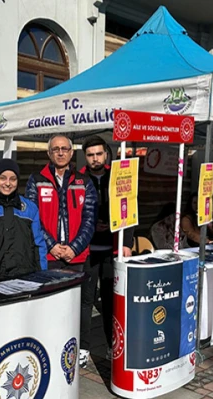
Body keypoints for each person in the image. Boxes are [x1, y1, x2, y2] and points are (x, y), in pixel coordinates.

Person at [26, 134, 97, 368]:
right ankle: (52, 345)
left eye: (64, 149)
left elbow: (89, 219)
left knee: (80, 304)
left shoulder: (84, 181)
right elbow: (33, 217)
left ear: (71, 152)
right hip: (49, 256)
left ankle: (83, 348)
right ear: (49, 153)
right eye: (55, 149)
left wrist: (73, 249)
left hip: (77, 257)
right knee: (51, 305)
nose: (60, 152)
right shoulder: (36, 180)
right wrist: (53, 246)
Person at [80, 136, 133, 360]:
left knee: (111, 299)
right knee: (86, 300)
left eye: (98, 154)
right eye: (90, 155)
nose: (95, 159)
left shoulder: (119, 176)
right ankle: (83, 347)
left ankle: (113, 345)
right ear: (86, 157)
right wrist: (91, 228)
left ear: (106, 154)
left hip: (113, 248)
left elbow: (130, 207)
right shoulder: (78, 179)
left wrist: (128, 243)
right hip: (88, 249)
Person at [0, 159, 48, 281]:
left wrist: (42, 274)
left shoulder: (29, 208)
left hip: (24, 275)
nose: (8, 183)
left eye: (13, 179)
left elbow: (38, 245)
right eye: (2, 178)